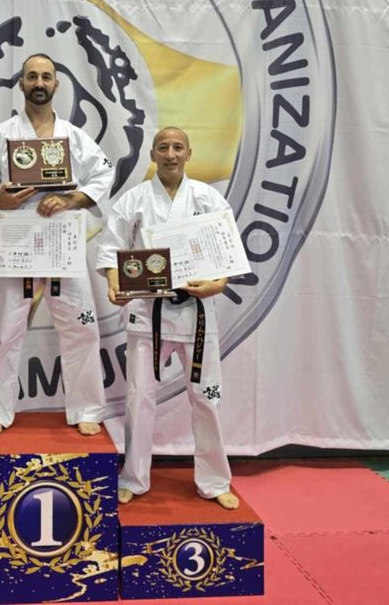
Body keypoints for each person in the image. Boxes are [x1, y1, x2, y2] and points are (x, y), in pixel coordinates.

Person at [0, 53, 113, 437]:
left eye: (47, 76)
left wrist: (71, 200)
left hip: (62, 244)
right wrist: (0, 201)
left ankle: (87, 408)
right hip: (16, 247)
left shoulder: (76, 138)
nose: (39, 82)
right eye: (32, 76)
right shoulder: (0, 136)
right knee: (5, 330)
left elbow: (102, 176)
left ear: (57, 84)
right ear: (22, 84)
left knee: (81, 329)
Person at [96, 127, 240, 509]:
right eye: (163, 147)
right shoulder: (135, 201)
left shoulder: (209, 198)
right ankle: (133, 476)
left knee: (206, 399)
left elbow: (226, 254)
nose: (171, 154)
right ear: (152, 155)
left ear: (189, 153)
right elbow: (111, 251)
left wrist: (218, 284)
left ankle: (214, 481)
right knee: (139, 398)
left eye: (178, 147)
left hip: (197, 316)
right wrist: (115, 285)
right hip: (148, 314)